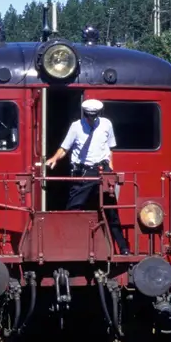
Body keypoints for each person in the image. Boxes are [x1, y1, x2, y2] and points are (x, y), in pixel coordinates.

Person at [45, 99, 131, 255]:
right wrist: (54, 158)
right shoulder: (76, 127)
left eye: (94, 116)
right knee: (73, 208)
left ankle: (123, 248)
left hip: (103, 170)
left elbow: (110, 147)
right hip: (84, 172)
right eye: (89, 116)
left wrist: (111, 167)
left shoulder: (106, 124)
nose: (91, 119)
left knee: (111, 209)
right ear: (84, 114)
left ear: (98, 114)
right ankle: (67, 246)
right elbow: (65, 148)